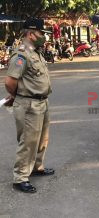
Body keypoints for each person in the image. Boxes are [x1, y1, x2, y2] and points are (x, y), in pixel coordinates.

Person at [4, 18, 54, 193]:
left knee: (42, 139)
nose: (44, 37)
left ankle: (36, 167)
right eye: (41, 33)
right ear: (31, 34)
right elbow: (10, 81)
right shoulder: (22, 54)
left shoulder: (36, 51)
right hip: (28, 104)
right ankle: (20, 177)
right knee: (28, 141)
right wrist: (17, 95)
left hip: (42, 101)